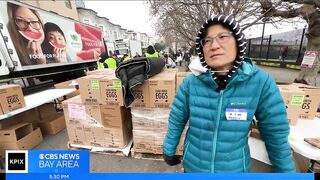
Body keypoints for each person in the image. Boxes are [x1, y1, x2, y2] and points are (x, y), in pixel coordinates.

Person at [163, 15, 295, 172]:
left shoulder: (261, 83)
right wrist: (169, 150)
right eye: (207, 40)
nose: (214, 45)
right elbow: (177, 118)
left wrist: (286, 171)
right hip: (194, 167)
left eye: (223, 36)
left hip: (234, 169)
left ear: (238, 43)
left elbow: (275, 132)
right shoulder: (190, 83)